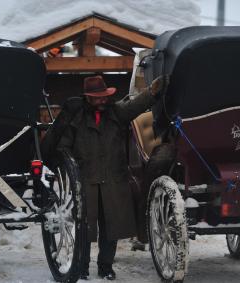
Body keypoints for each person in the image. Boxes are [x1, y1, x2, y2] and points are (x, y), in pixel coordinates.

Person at [56, 75, 168, 280]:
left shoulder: (116, 112)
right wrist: (72, 171)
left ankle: (105, 267)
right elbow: (63, 148)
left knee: (111, 229)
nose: (102, 101)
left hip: (113, 181)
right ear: (88, 98)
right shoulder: (77, 119)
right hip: (86, 182)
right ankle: (81, 267)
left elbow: (136, 106)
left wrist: (152, 92)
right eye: (97, 98)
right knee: (84, 229)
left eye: (104, 96)